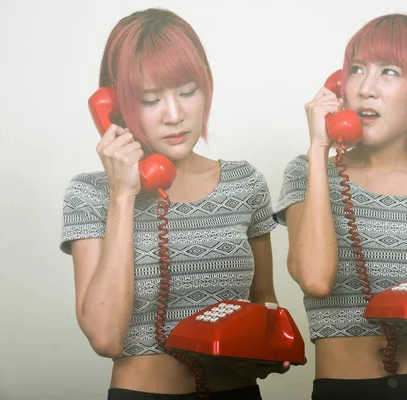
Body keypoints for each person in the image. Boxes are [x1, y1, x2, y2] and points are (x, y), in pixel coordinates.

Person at [59, 8, 288, 400]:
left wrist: (270, 349)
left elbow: (263, 297)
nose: (175, 114)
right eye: (150, 100)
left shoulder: (244, 182)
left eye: (187, 92)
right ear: (115, 108)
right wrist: (122, 196)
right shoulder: (90, 194)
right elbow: (106, 337)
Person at [273, 13, 407, 400]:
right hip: (343, 389)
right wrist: (320, 148)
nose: (366, 89)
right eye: (356, 70)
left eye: (389, 72)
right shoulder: (307, 171)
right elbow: (315, 280)